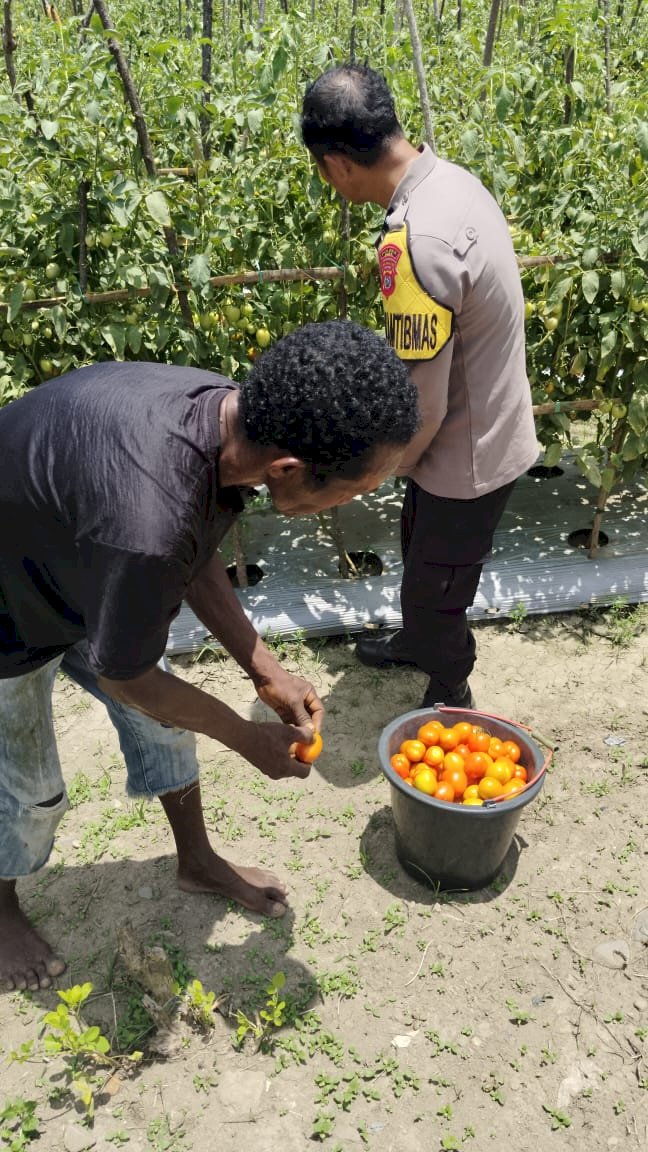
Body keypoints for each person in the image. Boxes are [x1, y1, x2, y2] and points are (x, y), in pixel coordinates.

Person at [0, 319, 419, 992]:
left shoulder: (225, 417)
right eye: (358, 488)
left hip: (76, 549)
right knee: (28, 792)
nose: (360, 498)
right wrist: (245, 736)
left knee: (167, 725)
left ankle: (197, 862)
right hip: (9, 606)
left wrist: (266, 670)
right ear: (289, 470)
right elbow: (126, 673)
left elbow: (190, 551)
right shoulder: (146, 522)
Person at [301, 65, 539, 709]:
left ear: (338, 164)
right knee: (421, 559)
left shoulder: (413, 244)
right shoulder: (450, 181)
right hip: (481, 423)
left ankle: (449, 684)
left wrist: (364, 474)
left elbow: (424, 404)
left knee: (437, 592)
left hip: (466, 454)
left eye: (322, 172)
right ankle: (419, 639)